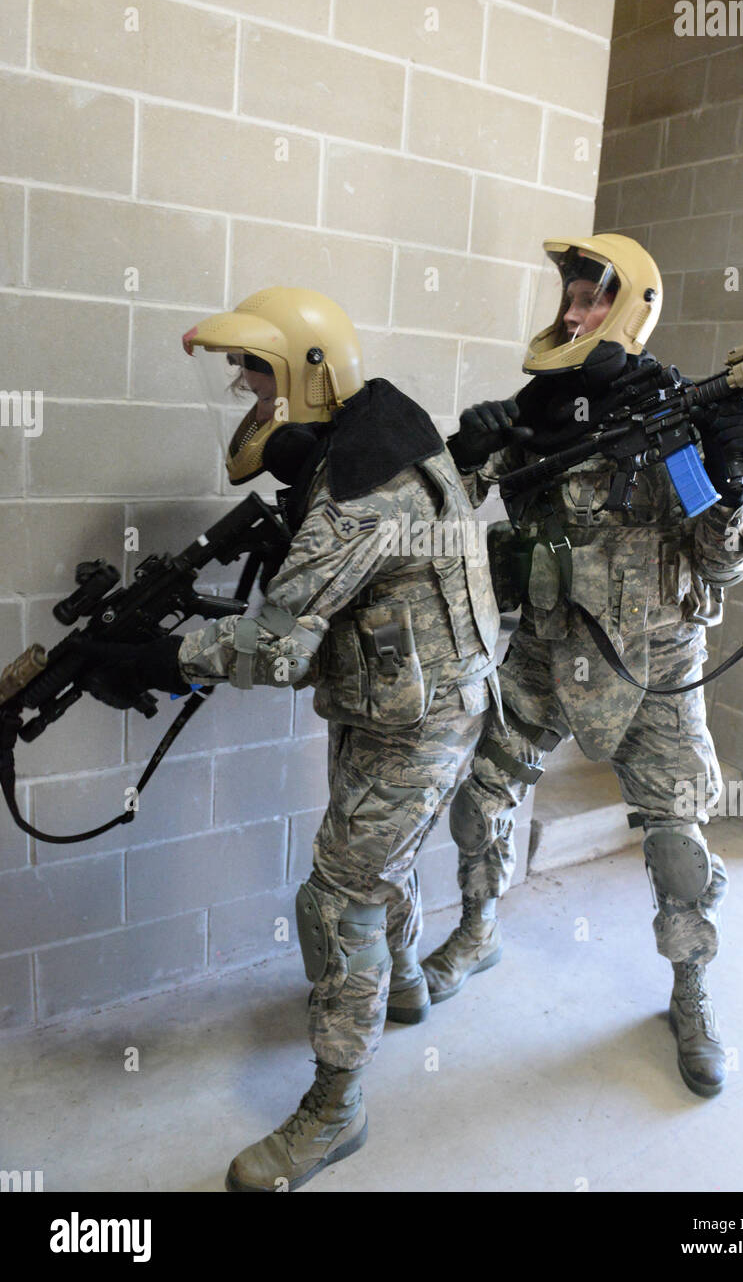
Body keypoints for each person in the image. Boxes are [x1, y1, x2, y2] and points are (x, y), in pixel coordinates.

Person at [83, 286, 501, 1189]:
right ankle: (402, 989)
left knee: (336, 895)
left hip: (421, 715)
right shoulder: (379, 433)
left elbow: (274, 650)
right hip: (398, 696)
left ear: (310, 379)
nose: (242, 391)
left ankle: (336, 1109)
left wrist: (159, 657)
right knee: (369, 859)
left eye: (256, 372)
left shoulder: (360, 494)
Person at [422, 234, 743, 1098]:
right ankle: (476, 930)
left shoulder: (673, 426)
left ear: (631, 309)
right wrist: (465, 450)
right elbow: (443, 509)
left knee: (679, 845)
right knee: (480, 800)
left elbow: (720, 565)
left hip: (653, 666)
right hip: (544, 651)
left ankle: (690, 993)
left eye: (590, 302)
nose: (572, 315)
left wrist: (725, 484)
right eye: (568, 300)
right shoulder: (537, 416)